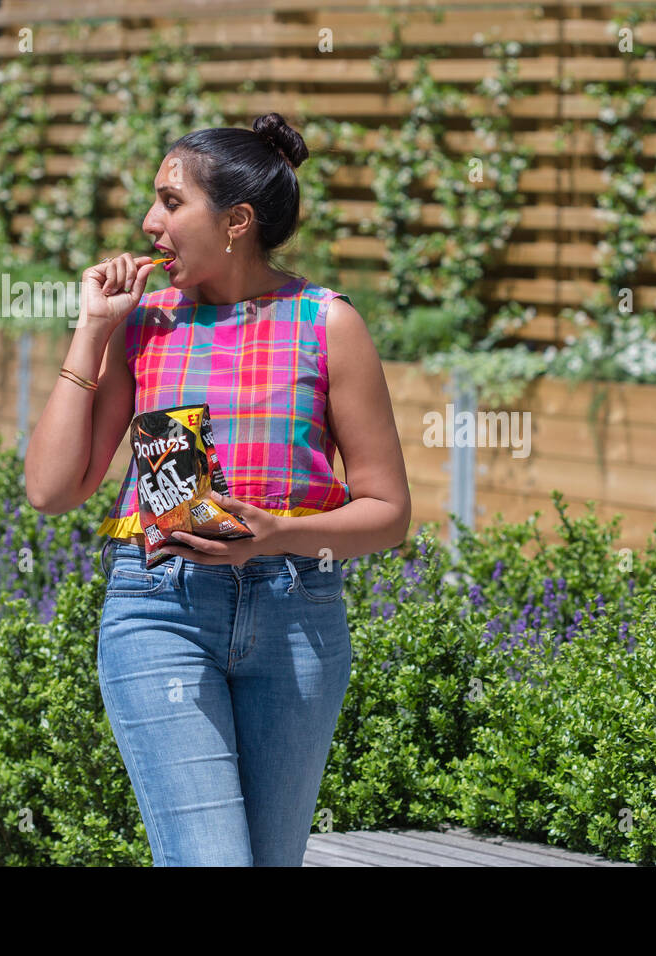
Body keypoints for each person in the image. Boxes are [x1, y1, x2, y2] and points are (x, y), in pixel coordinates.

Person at [24, 112, 410, 866]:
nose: (148, 222)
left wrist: (280, 533)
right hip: (159, 609)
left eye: (171, 202)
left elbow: (388, 513)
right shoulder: (144, 325)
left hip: (297, 619)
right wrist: (91, 330)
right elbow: (51, 488)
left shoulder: (326, 323)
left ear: (235, 221)